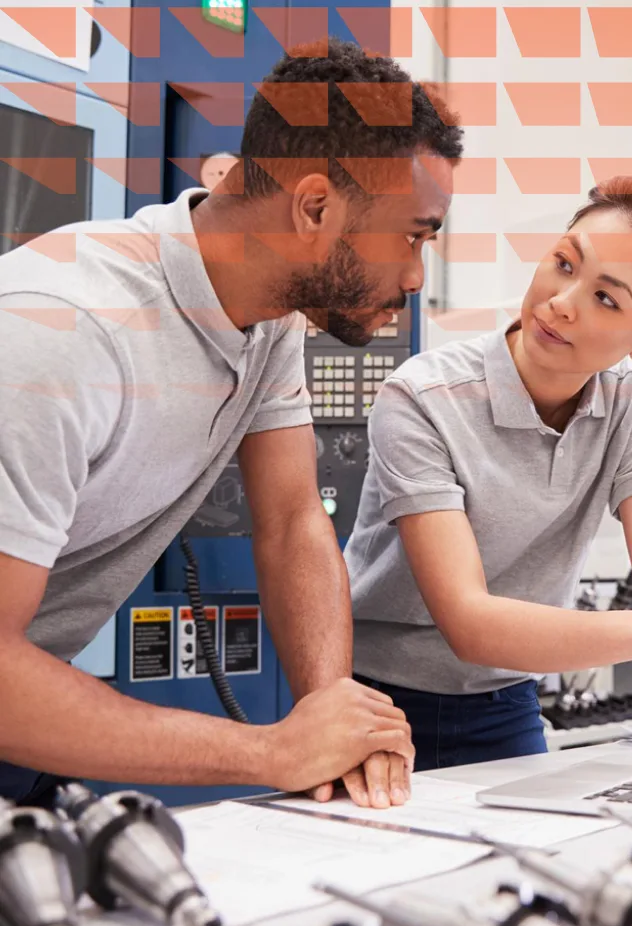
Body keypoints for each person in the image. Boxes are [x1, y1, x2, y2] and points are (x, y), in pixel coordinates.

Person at [0, 39, 464, 808]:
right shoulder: (63, 333)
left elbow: (291, 521)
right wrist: (273, 750)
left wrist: (332, 720)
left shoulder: (267, 314)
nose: (416, 276)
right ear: (315, 209)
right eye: (411, 236)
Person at [345, 175, 632, 772]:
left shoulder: (631, 397)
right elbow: (468, 621)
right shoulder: (423, 397)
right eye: (564, 264)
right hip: (377, 699)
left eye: (606, 298)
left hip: (506, 699)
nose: (562, 301)